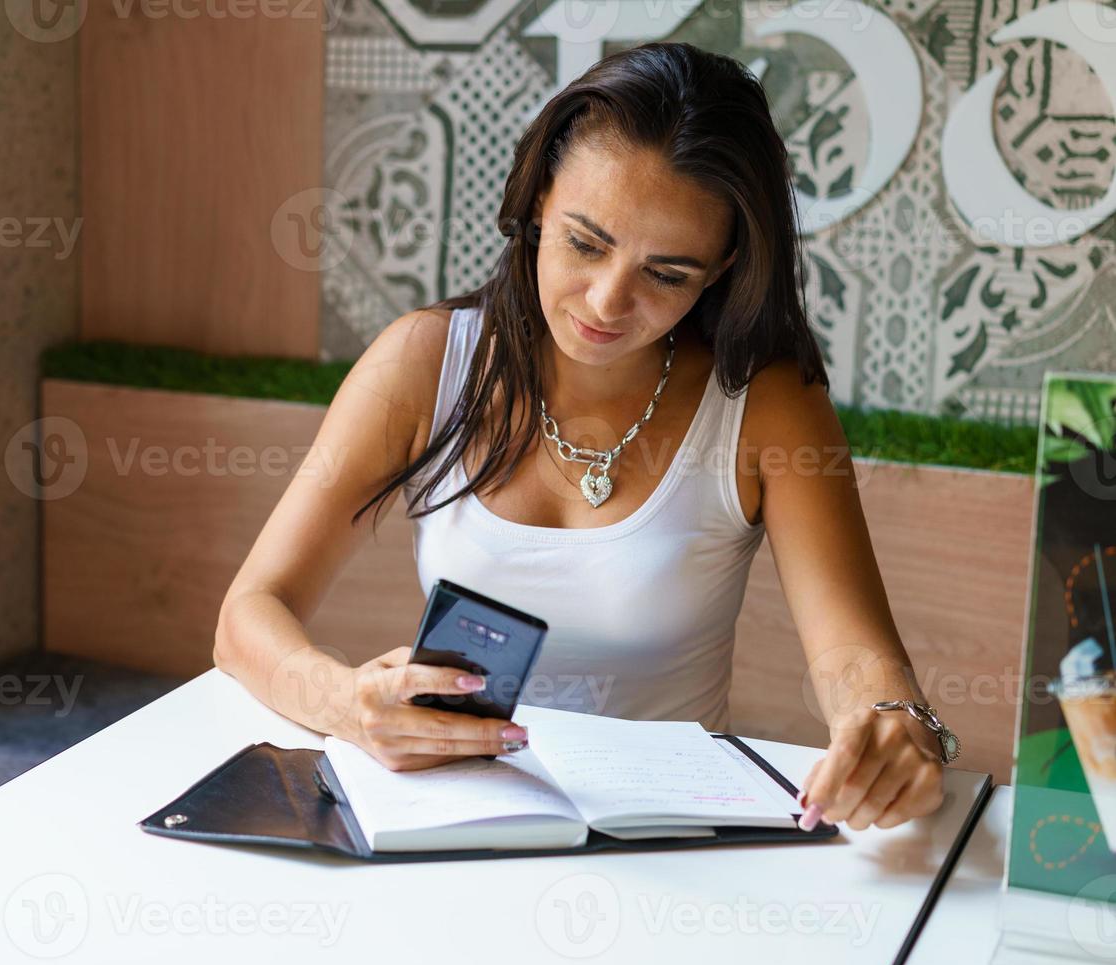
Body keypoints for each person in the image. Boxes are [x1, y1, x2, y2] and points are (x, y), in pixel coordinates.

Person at [214, 41, 948, 833]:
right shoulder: (424, 364)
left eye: (666, 273)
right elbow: (249, 612)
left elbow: (854, 659)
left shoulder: (767, 404)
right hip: (448, 826)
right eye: (585, 242)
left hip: (666, 846)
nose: (606, 301)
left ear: (723, 267)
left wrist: (889, 724)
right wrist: (346, 703)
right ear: (537, 202)